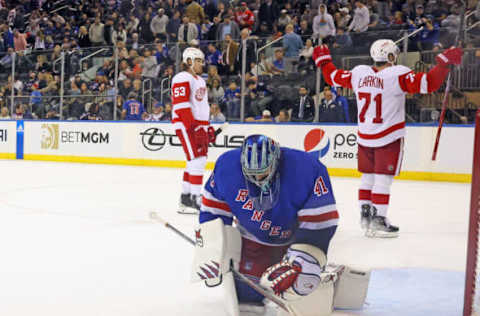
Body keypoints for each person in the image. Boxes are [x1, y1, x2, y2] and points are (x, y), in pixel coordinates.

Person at [312, 40, 463, 237]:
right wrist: (443, 63)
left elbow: (333, 77)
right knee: (383, 179)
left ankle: (365, 215)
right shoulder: (397, 74)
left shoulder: (359, 73)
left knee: (367, 177)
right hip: (388, 135)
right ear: (391, 56)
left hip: (365, 135)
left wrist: (324, 62)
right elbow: (429, 83)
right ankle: (379, 219)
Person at [193, 134, 339, 315]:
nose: (258, 178)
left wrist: (303, 260)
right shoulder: (227, 168)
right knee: (246, 295)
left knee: (303, 293)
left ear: (276, 161)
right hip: (253, 239)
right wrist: (213, 249)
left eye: (263, 171)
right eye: (252, 173)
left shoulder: (306, 169)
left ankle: (324, 274)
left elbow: (321, 221)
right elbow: (214, 212)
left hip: (293, 242)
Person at [171, 47, 217, 214]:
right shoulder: (181, 77)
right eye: (198, 61)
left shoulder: (200, 80)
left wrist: (207, 126)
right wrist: (195, 126)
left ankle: (186, 198)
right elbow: (181, 105)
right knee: (197, 159)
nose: (201, 64)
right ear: (189, 61)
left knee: (195, 160)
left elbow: (202, 106)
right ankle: (195, 198)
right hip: (187, 124)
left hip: (198, 124)